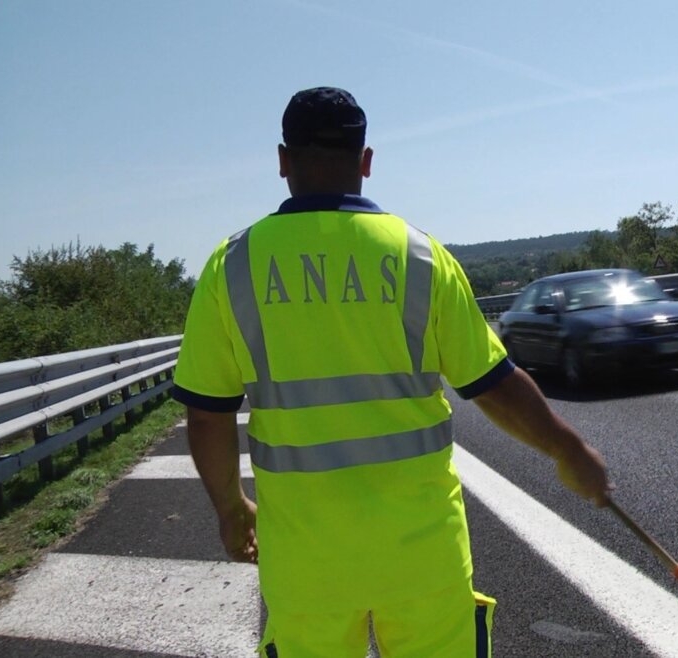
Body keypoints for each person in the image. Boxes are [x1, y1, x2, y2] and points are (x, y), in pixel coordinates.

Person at [170, 86, 612, 658]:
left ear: (282, 160)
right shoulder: (421, 256)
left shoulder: (231, 266)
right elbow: (494, 385)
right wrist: (567, 450)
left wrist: (232, 512)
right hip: (422, 556)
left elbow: (206, 415)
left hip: (306, 564)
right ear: (367, 161)